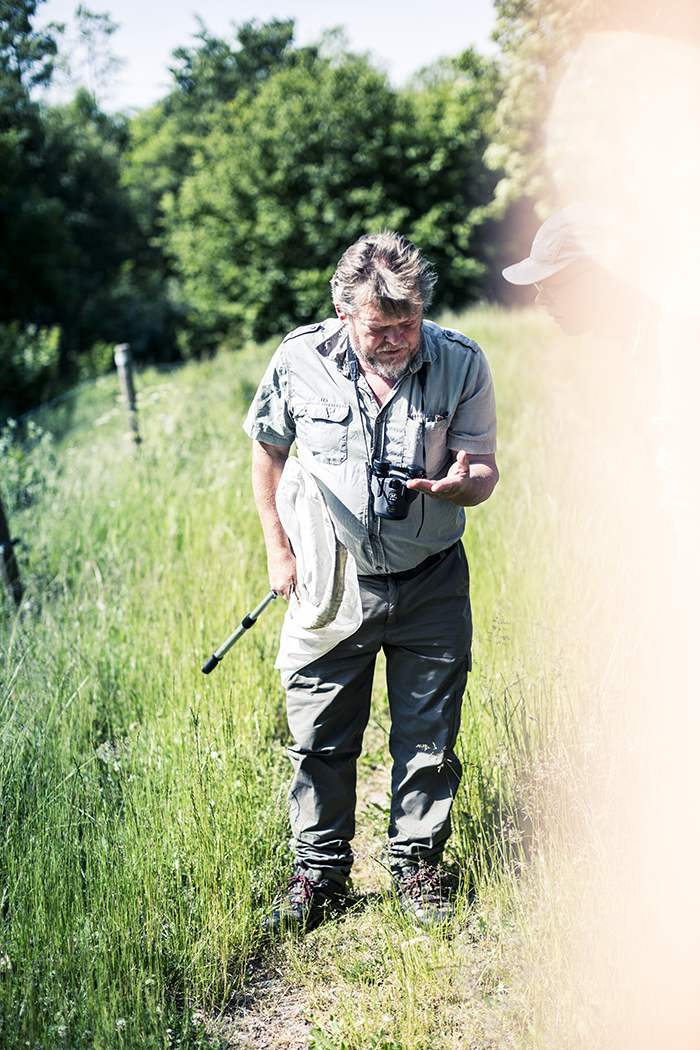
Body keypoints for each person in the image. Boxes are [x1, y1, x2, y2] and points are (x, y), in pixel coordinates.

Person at [243, 231, 498, 933]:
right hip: (331, 581)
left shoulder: (462, 361)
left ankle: (416, 868)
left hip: (432, 582)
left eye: (408, 324)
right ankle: (318, 875)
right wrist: (278, 550)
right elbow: (267, 452)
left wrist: (462, 484)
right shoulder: (299, 360)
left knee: (428, 739)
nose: (396, 341)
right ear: (343, 310)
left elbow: (483, 467)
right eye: (380, 328)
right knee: (319, 734)